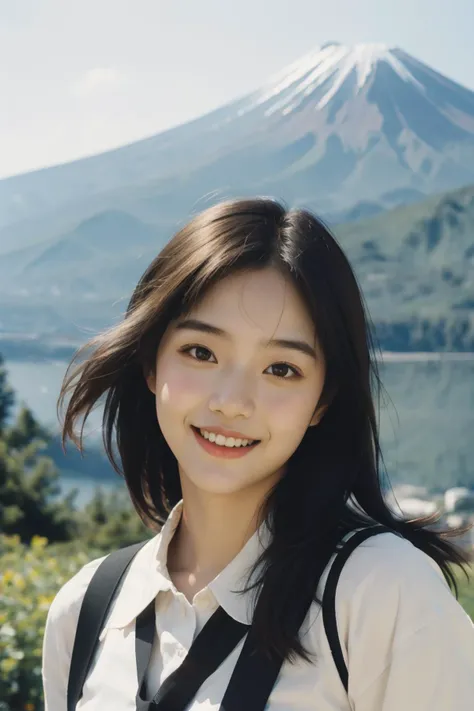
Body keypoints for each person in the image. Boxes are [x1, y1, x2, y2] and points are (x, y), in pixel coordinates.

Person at [42, 197, 474, 710]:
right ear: (152, 363)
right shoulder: (86, 610)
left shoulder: (383, 595)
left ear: (323, 400)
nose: (232, 403)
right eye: (201, 352)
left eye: (281, 369)